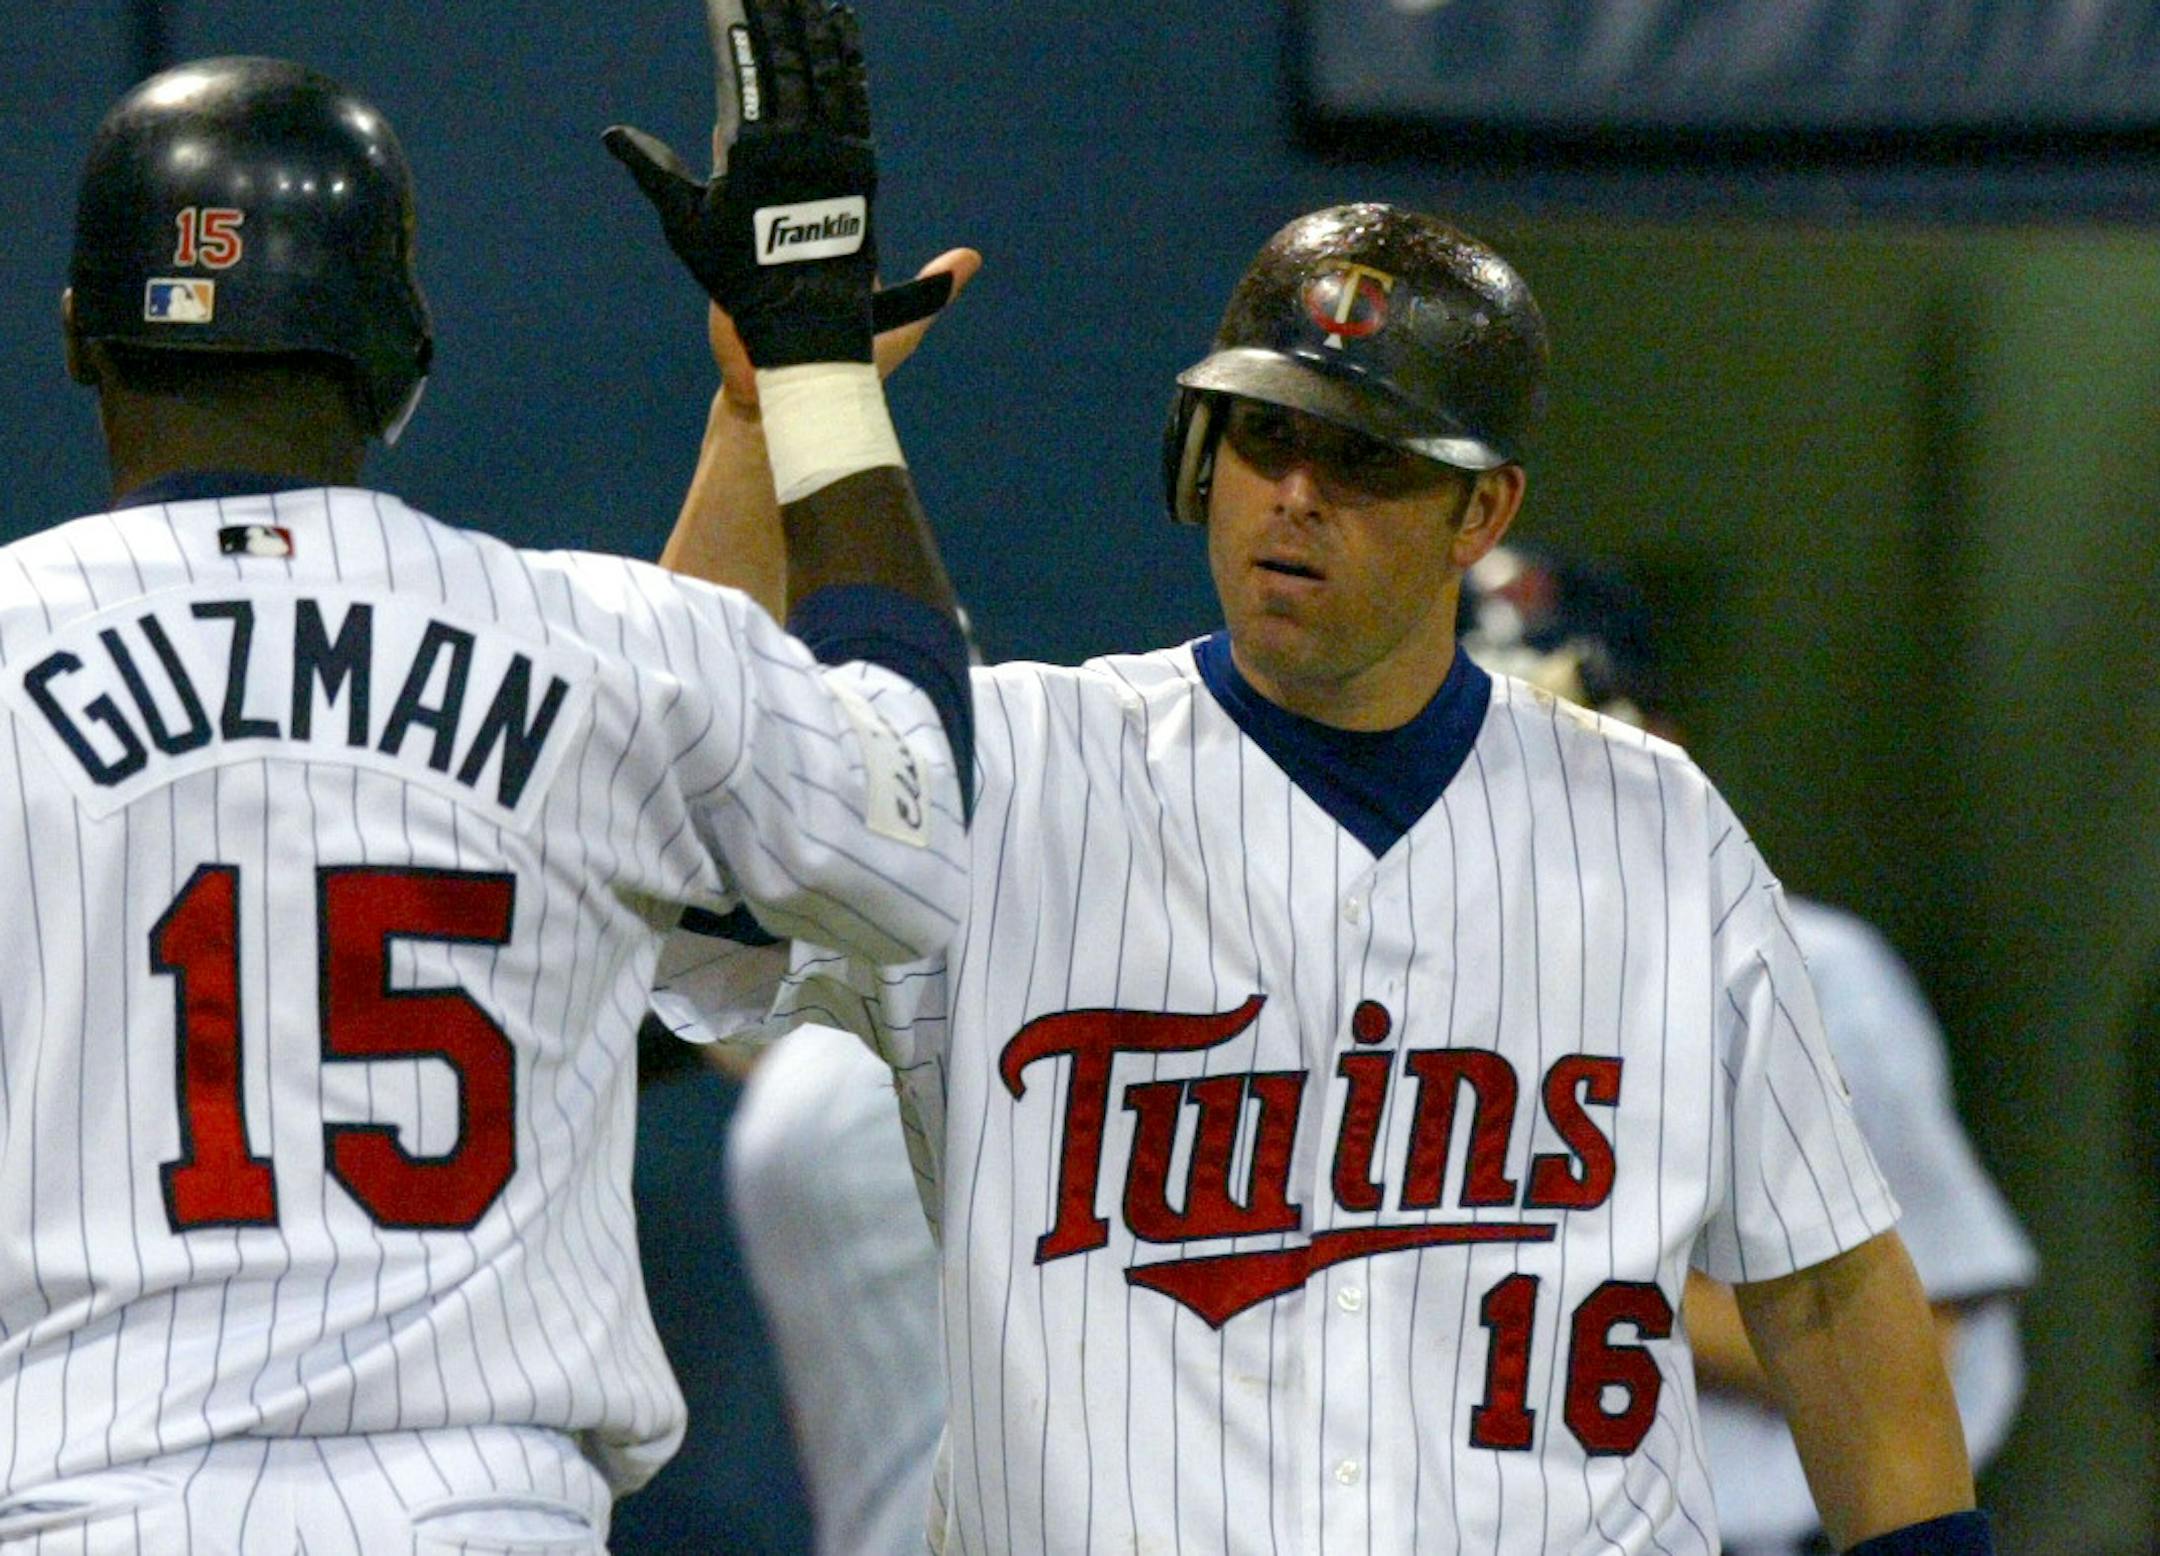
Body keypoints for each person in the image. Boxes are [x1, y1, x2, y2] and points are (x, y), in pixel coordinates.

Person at [664, 203, 1995, 1553]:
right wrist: (762, 422)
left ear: (1481, 509)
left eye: (1363, 455)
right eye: (1265, 435)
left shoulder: (1656, 829)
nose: (1294, 494)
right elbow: (687, 854)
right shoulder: (1008, 767)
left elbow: (1832, 1289)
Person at [0, 8, 971, 1547]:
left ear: (78, 334)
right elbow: (914, 813)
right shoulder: (599, 646)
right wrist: (812, 371)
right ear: (403, 356)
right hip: (480, 1512)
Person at [1460, 543, 2039, 1554]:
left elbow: (1918, 1345)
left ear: (1661, 740)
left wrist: (1549, 1267)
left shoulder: (1807, 966)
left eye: (1563, 727)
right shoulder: (1395, 977)